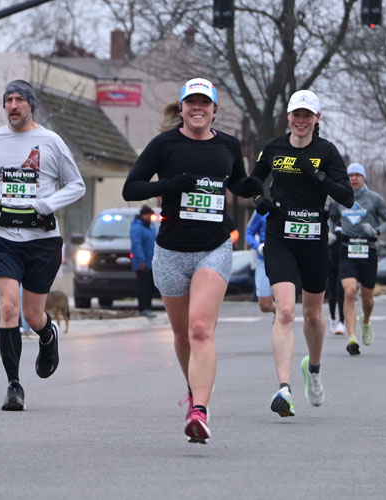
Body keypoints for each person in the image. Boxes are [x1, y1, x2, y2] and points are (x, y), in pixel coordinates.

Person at [122, 77, 260, 444]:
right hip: (170, 251)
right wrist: (166, 186)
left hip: (214, 247)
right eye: (191, 102)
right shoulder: (164, 145)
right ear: (182, 109)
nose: (197, 108)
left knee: (201, 329)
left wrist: (254, 187)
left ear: (215, 111)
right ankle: (193, 386)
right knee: (183, 334)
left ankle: (199, 409)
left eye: (204, 103)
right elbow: (131, 187)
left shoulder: (228, 145)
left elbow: (237, 183)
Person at [0, 79, 85, 411]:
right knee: (8, 308)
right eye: (9, 100)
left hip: (41, 241)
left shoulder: (51, 142)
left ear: (31, 104)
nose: (13, 106)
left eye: (19, 100)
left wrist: (48, 204)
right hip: (3, 238)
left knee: (32, 314)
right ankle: (14, 385)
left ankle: (47, 334)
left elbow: (77, 185)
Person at [250, 89, 353, 418]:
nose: (301, 120)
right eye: (297, 114)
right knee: (284, 311)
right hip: (279, 236)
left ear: (317, 118)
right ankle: (284, 389)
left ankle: (315, 369)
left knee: (312, 315)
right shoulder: (274, 148)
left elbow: (347, 197)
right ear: (289, 116)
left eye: (308, 115)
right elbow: (253, 180)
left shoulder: (327, 152)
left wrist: (318, 175)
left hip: (314, 240)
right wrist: (259, 200)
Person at [329, 163, 386, 355]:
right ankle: (352, 338)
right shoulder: (341, 198)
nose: (354, 178)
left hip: (368, 249)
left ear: (363, 177)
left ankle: (365, 321)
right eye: (350, 175)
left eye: (358, 175)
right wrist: (330, 232)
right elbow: (331, 217)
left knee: (367, 299)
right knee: (349, 292)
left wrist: (376, 231)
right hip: (347, 249)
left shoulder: (374, 199)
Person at [244, 211, 274, 317]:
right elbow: (248, 233)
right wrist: (257, 246)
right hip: (264, 260)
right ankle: (278, 311)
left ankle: (283, 316)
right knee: (265, 305)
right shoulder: (261, 210)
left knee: (285, 305)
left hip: (285, 259)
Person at [130, 204, 157, 317]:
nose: (150, 218)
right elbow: (137, 245)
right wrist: (141, 260)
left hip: (151, 263)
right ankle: (142, 308)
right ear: (143, 215)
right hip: (142, 263)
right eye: (149, 215)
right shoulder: (137, 228)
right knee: (143, 286)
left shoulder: (150, 227)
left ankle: (148, 307)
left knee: (149, 286)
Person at [326, 223, 346, 335]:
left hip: (343, 264)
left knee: (340, 292)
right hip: (331, 263)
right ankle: (332, 316)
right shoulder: (330, 223)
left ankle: (341, 321)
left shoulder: (346, 226)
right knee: (332, 292)